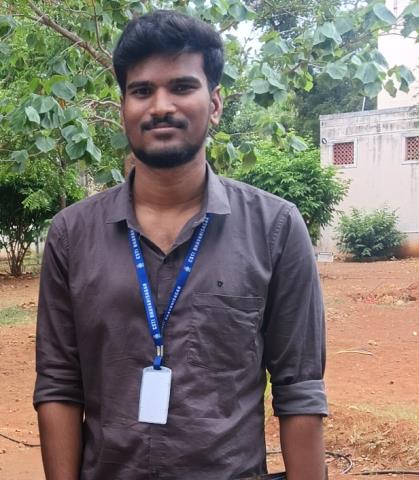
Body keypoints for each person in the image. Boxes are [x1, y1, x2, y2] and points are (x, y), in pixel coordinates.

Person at [34, 9, 328, 480]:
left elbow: (300, 388)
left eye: (182, 87)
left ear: (215, 103)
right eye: (141, 91)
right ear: (123, 108)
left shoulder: (275, 227)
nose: (160, 106)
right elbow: (59, 384)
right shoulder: (72, 233)